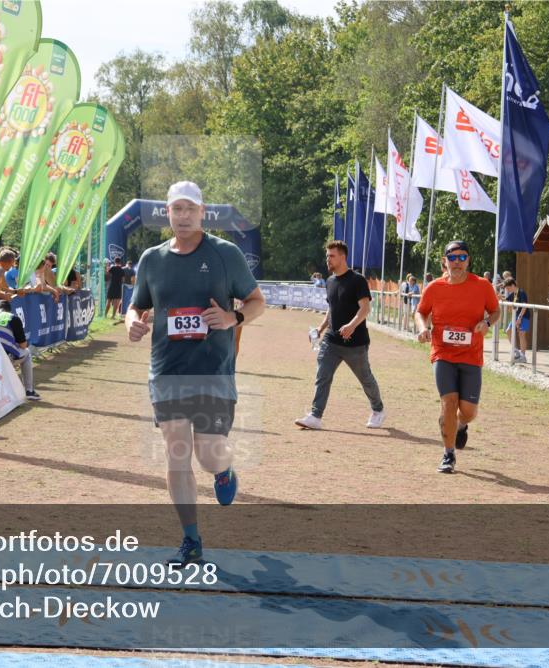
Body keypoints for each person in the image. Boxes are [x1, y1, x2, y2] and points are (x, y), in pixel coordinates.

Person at [126, 180, 265, 565]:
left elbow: (256, 301)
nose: (184, 215)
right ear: (167, 213)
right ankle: (191, 539)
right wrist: (132, 322)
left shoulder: (225, 254)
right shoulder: (152, 259)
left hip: (212, 372)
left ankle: (224, 470)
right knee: (177, 452)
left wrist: (233, 317)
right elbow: (136, 306)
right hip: (166, 372)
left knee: (208, 454)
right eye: (177, 209)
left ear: (202, 213)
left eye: (191, 209)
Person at [414, 240, 500, 473]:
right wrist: (422, 328)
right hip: (442, 353)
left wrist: (486, 322)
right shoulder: (435, 287)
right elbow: (421, 312)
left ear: (468, 261)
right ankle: (448, 454)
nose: (457, 262)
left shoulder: (482, 286)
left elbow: (495, 311)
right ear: (445, 261)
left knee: (468, 411)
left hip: (471, 356)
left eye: (462, 257)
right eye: (452, 258)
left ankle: (460, 424)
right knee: (449, 403)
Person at [295, 240, 386, 431]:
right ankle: (315, 416)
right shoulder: (329, 281)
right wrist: (320, 329)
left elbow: (365, 308)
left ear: (343, 257)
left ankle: (378, 410)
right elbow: (332, 309)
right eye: (327, 256)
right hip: (331, 340)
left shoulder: (357, 280)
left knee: (366, 379)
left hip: (355, 343)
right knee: (322, 375)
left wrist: (352, 325)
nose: (328, 259)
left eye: (332, 256)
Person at [0, 300, 42, 401]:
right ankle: (29, 391)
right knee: (27, 352)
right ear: (9, 310)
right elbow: (23, 345)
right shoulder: (12, 318)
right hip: (2, 359)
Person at [503, 277, 530, 363]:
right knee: (508, 331)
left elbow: (524, 306)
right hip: (516, 316)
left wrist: (519, 318)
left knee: (521, 334)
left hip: (524, 316)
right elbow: (506, 300)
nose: (507, 290)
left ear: (513, 285)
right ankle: (516, 351)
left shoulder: (521, 292)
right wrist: (499, 297)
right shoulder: (513, 294)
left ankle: (523, 356)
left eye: (508, 288)